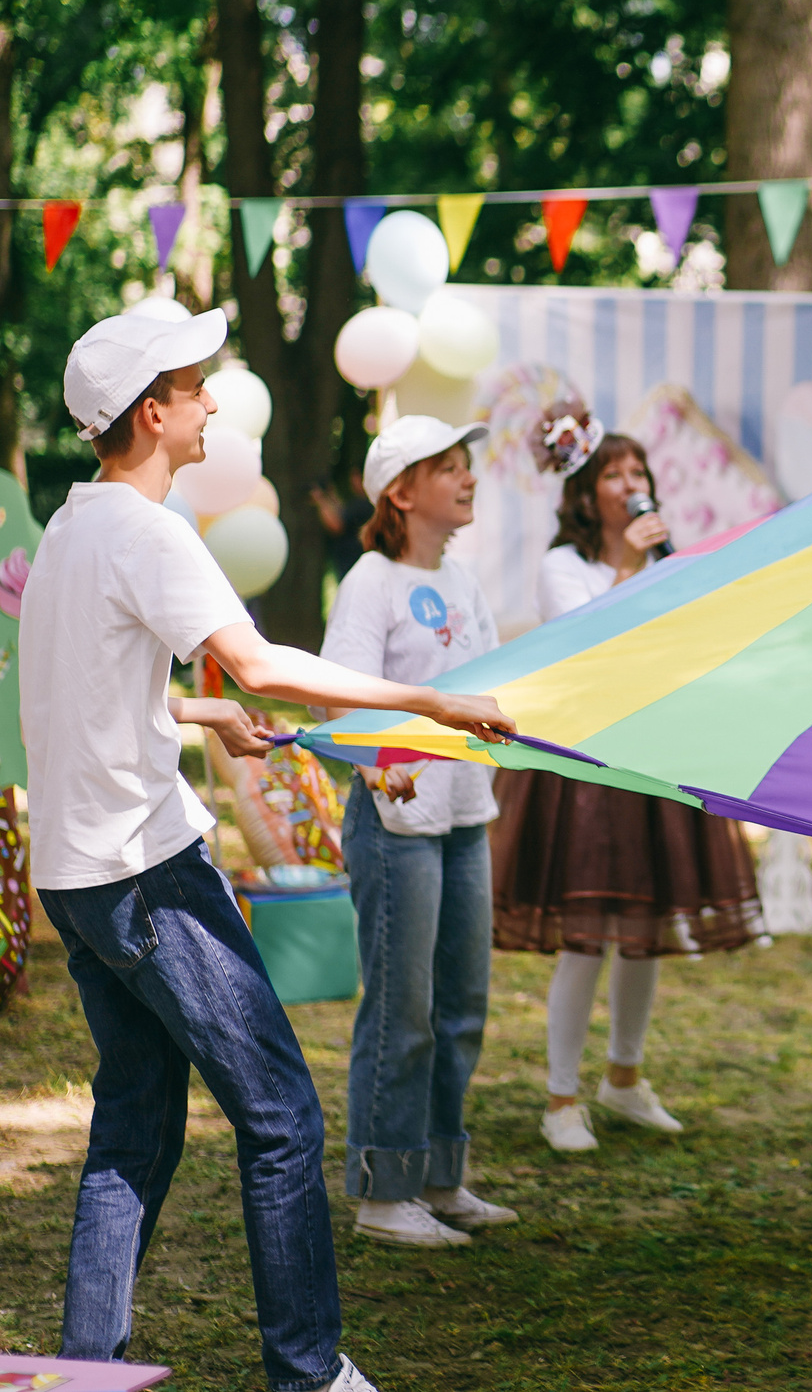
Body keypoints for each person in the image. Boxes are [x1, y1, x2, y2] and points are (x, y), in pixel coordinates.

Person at [20, 310, 512, 1392]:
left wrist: (195, 719)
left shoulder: (71, 528)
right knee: (283, 1117)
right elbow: (265, 664)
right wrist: (427, 699)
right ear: (153, 412)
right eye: (197, 387)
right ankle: (308, 1372)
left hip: (75, 877)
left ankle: (82, 1374)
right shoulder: (150, 532)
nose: (210, 403)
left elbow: (92, 687)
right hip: (146, 874)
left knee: (135, 1130)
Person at [491, 406, 765, 1153]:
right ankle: (560, 1097)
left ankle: (623, 1077)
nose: (629, 483)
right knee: (587, 937)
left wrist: (660, 573)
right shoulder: (563, 566)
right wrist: (630, 570)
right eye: (614, 472)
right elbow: (590, 646)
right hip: (584, 769)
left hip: (654, 757)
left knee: (645, 930)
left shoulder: (665, 561)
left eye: (637, 471)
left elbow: (681, 643)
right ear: (586, 492)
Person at [317, 415, 517, 1250]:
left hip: (465, 814)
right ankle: (382, 1186)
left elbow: (494, 689)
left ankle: (439, 1175)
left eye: (469, 465)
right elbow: (337, 697)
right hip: (396, 821)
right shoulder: (371, 579)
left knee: (461, 1004)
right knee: (404, 1008)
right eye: (449, 467)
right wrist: (374, 765)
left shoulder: (464, 582)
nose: (469, 478)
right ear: (401, 492)